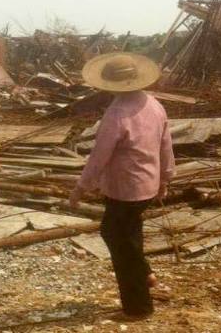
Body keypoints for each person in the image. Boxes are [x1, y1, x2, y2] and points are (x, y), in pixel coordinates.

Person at [69, 53, 174, 320]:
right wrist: (165, 179)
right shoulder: (154, 104)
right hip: (147, 186)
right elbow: (166, 145)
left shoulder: (117, 113)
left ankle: (138, 307)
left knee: (119, 241)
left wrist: (81, 187)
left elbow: (99, 156)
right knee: (127, 235)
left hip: (125, 190)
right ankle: (145, 272)